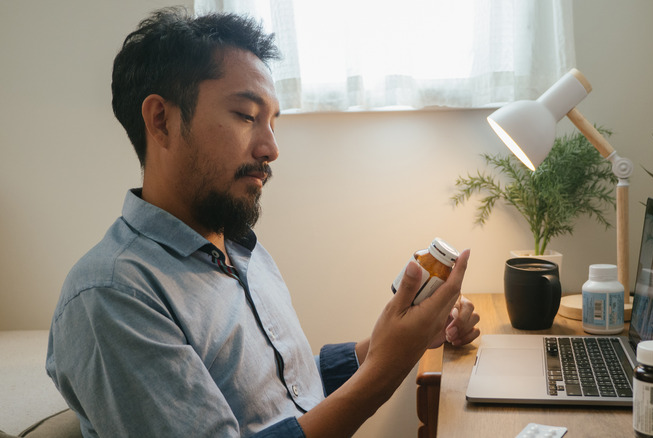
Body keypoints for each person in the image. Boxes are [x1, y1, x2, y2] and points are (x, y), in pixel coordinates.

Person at [46, 7, 479, 438]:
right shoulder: (112, 295)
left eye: (272, 122)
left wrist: (399, 339)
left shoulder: (239, 248)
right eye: (246, 116)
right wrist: (387, 367)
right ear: (162, 120)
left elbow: (286, 394)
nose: (271, 147)